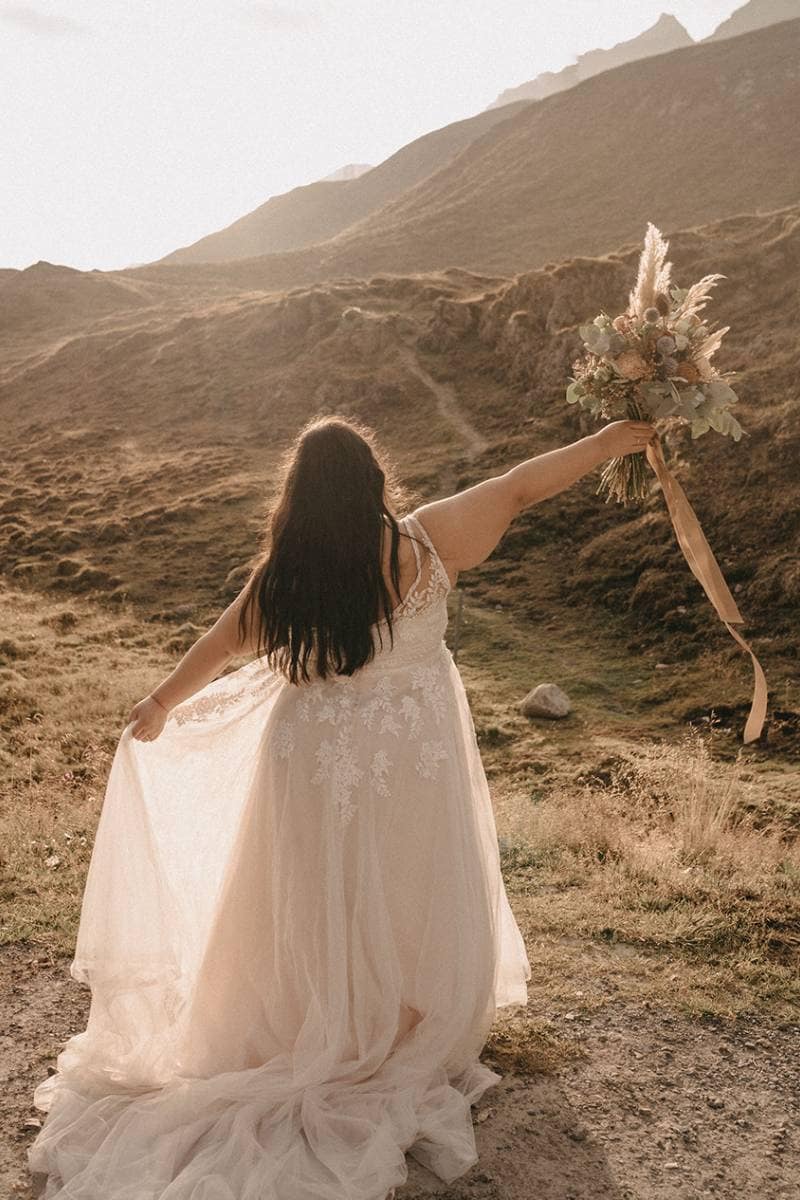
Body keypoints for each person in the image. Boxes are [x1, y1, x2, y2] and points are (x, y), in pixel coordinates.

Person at [28, 413, 656, 1200]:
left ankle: (308, 1020)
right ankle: (390, 1022)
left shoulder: (286, 577)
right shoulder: (426, 543)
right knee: (404, 886)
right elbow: (521, 486)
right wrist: (605, 443)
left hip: (313, 760)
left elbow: (221, 646)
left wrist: (159, 703)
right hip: (408, 762)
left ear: (296, 499)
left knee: (308, 896)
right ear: (372, 483)